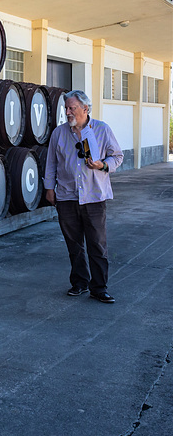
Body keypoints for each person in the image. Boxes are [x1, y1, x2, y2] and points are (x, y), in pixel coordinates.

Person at [44, 90, 123, 303]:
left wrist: (103, 165)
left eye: (72, 108)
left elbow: (118, 156)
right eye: (66, 108)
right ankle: (80, 283)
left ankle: (99, 287)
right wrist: (49, 188)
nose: (68, 112)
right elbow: (51, 163)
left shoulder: (102, 129)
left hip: (94, 197)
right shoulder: (59, 133)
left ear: (85, 109)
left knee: (97, 244)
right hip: (67, 196)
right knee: (74, 244)